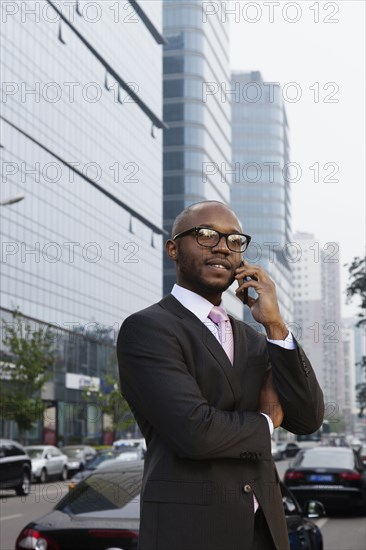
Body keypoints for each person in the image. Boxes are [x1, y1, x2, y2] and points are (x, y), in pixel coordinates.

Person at [117, 200, 324, 550]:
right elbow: (195, 432)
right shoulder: (147, 329)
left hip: (265, 533)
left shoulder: (256, 339)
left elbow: (307, 418)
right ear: (172, 248)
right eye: (206, 235)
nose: (222, 247)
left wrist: (275, 325)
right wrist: (267, 422)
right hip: (192, 534)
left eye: (234, 241)